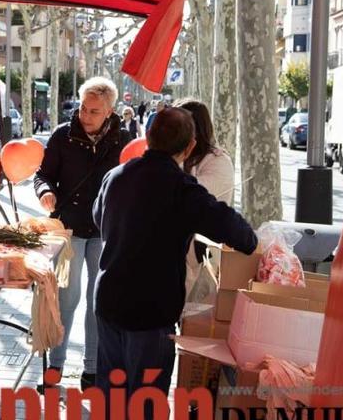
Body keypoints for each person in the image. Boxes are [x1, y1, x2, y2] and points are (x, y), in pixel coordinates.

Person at [92, 107, 259, 420]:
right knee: (145, 402)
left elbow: (98, 217)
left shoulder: (116, 176)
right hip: (151, 310)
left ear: (148, 137)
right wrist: (253, 242)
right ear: (190, 147)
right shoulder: (183, 190)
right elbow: (239, 233)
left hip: (109, 298)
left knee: (111, 396)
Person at [34, 76, 131, 390]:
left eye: (93, 111)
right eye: (82, 109)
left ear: (109, 111)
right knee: (67, 299)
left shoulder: (124, 139)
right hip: (71, 227)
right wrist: (45, 191)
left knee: (97, 302)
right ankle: (55, 367)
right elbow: (43, 174)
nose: (85, 116)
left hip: (106, 230)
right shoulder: (63, 135)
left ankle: (92, 370)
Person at [174, 99, 235, 297]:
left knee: (193, 318)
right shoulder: (173, 158)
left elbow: (188, 195)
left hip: (201, 257)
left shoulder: (218, 161)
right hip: (169, 257)